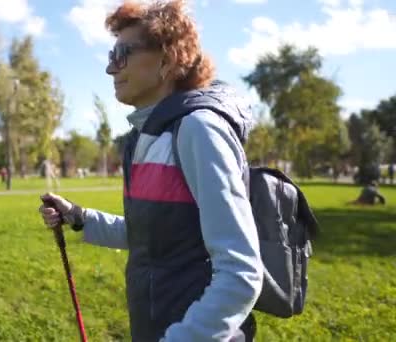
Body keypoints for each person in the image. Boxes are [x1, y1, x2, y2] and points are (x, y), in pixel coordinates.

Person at [38, 1, 262, 341]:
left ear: (167, 60)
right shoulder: (143, 137)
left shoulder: (198, 130)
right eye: (111, 55)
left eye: (122, 53)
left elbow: (241, 272)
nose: (111, 69)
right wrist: (79, 217)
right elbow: (153, 237)